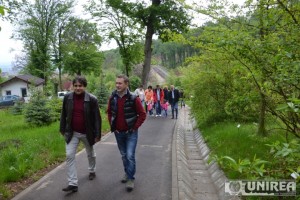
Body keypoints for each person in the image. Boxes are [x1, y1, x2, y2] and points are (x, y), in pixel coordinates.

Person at [60, 75, 101, 192]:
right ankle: (73, 183)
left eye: (80, 86)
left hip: (87, 133)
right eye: (76, 86)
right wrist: (62, 129)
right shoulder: (67, 97)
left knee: (90, 154)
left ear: (85, 86)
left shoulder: (92, 99)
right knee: (69, 155)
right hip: (72, 132)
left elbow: (97, 118)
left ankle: (92, 170)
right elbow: (63, 114)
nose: (78, 88)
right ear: (73, 86)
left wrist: (97, 134)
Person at [107, 74, 146, 192]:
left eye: (120, 83)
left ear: (126, 84)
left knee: (130, 155)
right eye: (116, 83)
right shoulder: (112, 97)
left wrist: (134, 127)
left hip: (131, 133)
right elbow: (109, 112)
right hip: (118, 133)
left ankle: (130, 178)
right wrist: (112, 125)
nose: (117, 85)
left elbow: (142, 114)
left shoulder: (134, 98)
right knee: (124, 155)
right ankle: (127, 172)